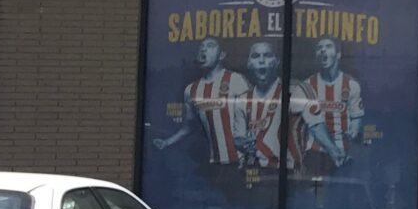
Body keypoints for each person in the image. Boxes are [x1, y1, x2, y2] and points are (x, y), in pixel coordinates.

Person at [153, 37, 251, 165]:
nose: (203, 49)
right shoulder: (191, 89)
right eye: (201, 47)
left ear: (221, 55)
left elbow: (252, 116)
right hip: (213, 164)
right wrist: (167, 142)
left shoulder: (236, 80)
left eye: (210, 46)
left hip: (239, 162)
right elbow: (189, 126)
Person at [293, 36, 364, 172]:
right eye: (319, 48)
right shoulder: (307, 87)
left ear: (338, 54)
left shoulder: (352, 85)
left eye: (328, 47)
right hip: (316, 155)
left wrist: (353, 133)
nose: (323, 51)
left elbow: (356, 119)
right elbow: (315, 126)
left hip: (345, 155)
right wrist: (335, 151)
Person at [236, 39, 292, 171]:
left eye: (267, 55)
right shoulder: (242, 100)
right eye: (255, 56)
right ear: (249, 63)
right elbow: (238, 138)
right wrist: (245, 144)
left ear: (277, 61)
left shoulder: (292, 94)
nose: (261, 60)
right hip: (252, 171)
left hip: (284, 172)